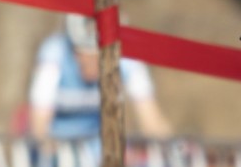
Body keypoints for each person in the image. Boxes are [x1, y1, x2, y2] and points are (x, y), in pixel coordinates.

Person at [26, 12, 171, 146]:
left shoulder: (127, 59)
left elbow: (151, 119)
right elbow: (39, 125)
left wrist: (169, 150)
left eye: (100, 57)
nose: (93, 64)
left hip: (98, 147)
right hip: (58, 146)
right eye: (84, 55)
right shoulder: (54, 54)